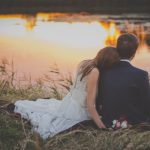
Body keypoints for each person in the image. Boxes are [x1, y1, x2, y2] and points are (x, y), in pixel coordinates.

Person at [12, 47, 119, 139]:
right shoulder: (95, 72)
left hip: (70, 101)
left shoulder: (85, 62)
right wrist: (102, 126)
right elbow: (90, 106)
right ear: (107, 62)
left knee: (51, 111)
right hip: (78, 109)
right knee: (55, 123)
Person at [96, 33, 150, 128]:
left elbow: (99, 100)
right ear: (134, 52)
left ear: (117, 49)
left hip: (108, 121)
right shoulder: (141, 75)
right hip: (133, 123)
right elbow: (147, 104)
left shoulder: (103, 71)